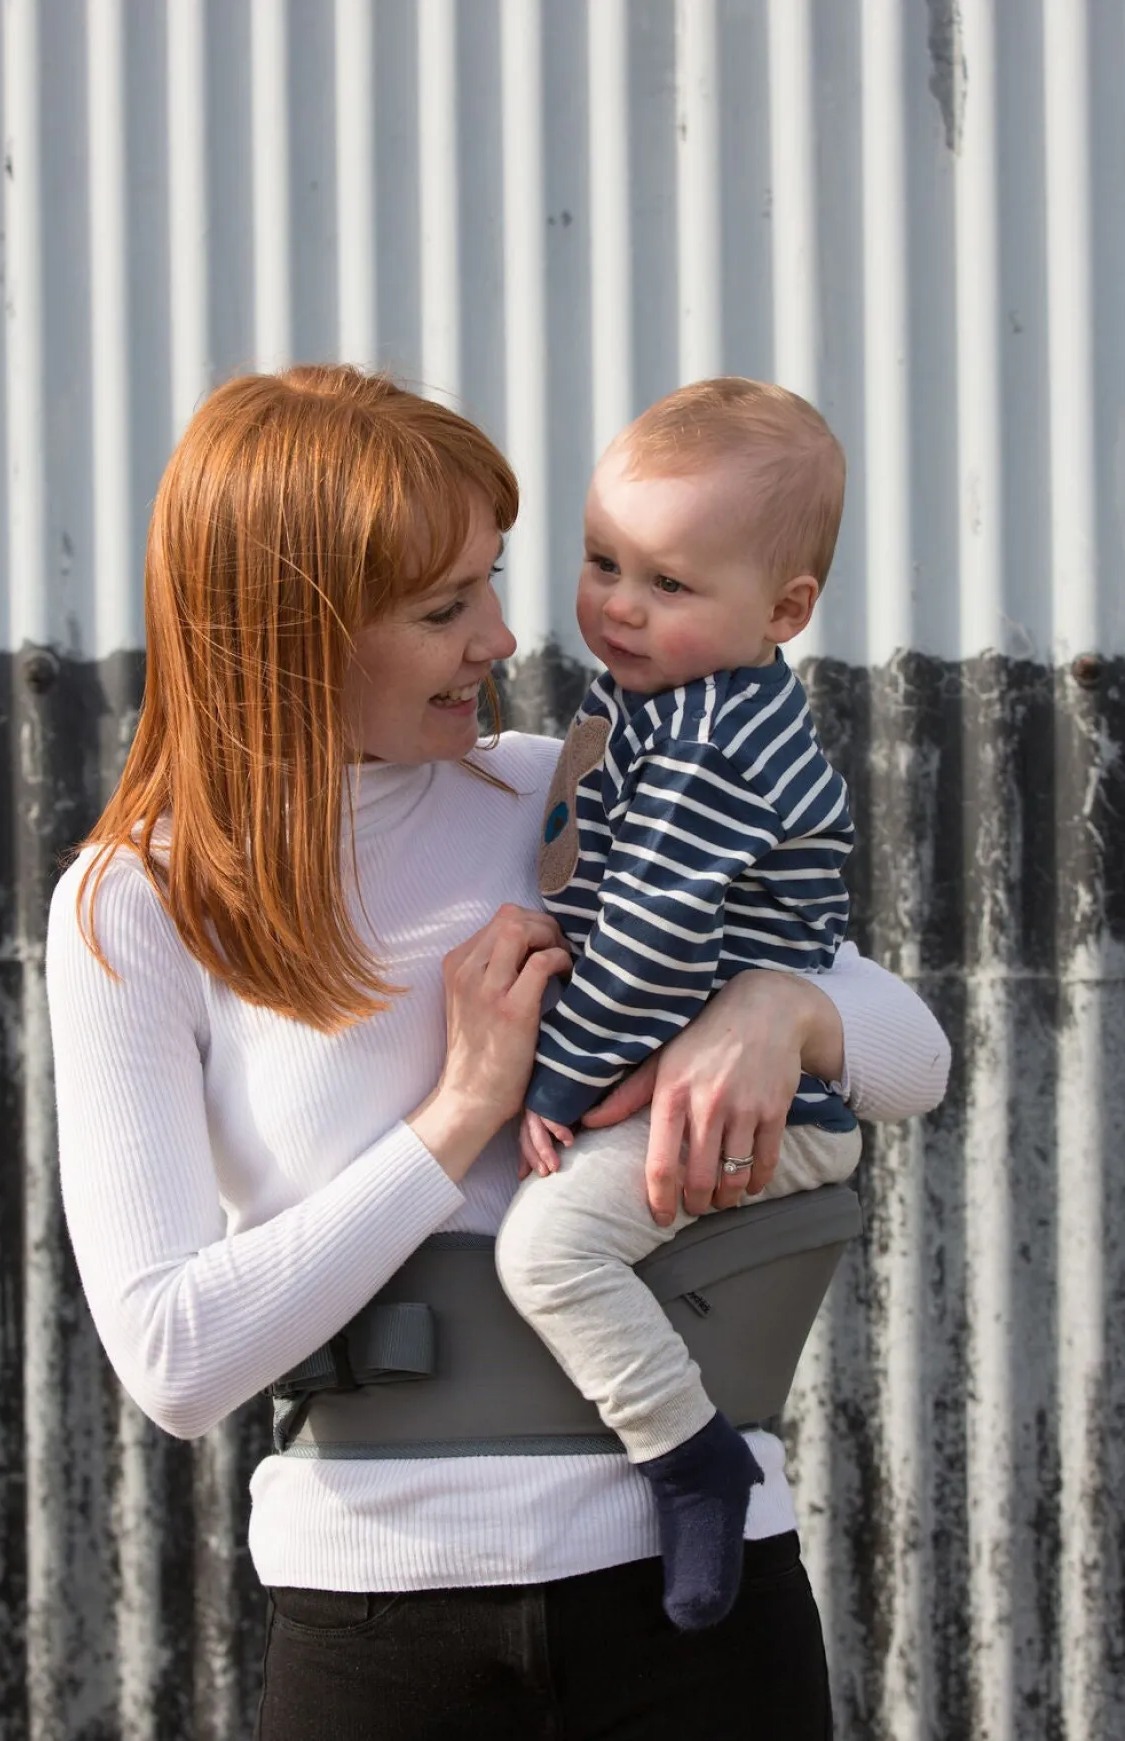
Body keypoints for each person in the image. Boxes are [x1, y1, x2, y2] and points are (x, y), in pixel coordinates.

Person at [46, 364, 949, 1741]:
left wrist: (778, 1009)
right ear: (295, 630)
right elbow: (175, 1361)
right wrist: (462, 1108)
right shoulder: (139, 900)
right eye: (443, 606)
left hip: (695, 1589)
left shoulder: (569, 783)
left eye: (496, 580)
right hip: (372, 1623)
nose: (505, 635)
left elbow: (916, 1058)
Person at [497, 379, 863, 1633]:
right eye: (602, 560)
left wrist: (552, 1084)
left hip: (776, 1102)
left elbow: (653, 946)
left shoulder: (709, 740)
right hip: (707, 1069)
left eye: (666, 583)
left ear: (784, 609)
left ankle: (689, 1456)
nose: (616, 605)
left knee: (545, 1248)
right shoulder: (661, 698)